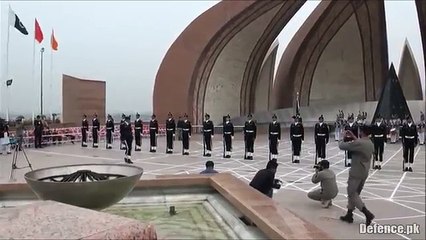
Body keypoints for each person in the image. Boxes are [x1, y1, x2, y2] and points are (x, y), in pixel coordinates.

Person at [338, 127, 375, 226]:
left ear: (362, 132)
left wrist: (342, 137)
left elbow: (342, 146)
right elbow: (359, 143)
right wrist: (354, 137)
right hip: (364, 171)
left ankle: (367, 213)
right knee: (355, 194)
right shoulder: (370, 143)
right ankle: (349, 214)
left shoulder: (360, 143)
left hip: (356, 172)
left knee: (352, 193)